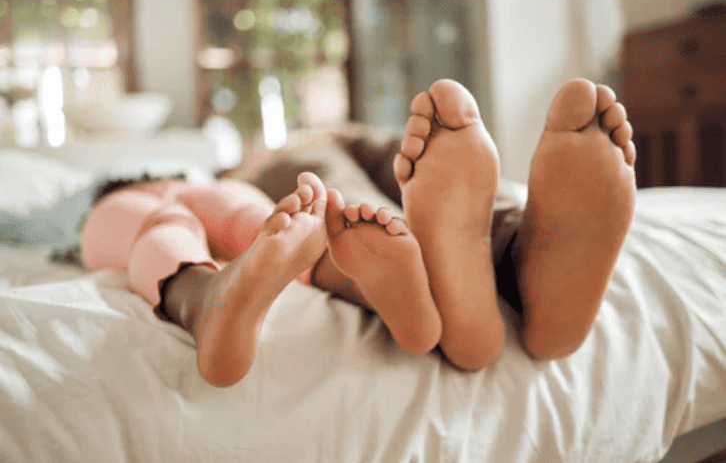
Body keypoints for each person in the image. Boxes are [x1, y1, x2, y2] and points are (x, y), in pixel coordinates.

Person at [80, 77, 636, 388]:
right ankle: (495, 254)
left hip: (296, 171)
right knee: (327, 210)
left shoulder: (355, 140)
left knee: (340, 212)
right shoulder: (250, 162)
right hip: (253, 175)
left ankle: (505, 253)